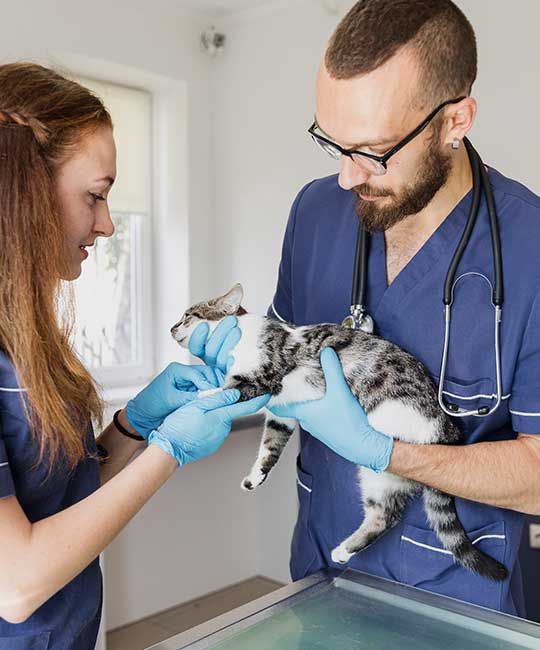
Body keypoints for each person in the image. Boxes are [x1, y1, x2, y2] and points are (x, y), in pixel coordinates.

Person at [191, 0, 540, 617]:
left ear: (455, 120)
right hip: (321, 571)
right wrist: (226, 372)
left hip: (458, 602)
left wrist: (387, 454)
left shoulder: (530, 245)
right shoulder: (315, 212)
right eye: (333, 144)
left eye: (373, 151)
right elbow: (283, 355)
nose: (348, 178)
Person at [0, 62, 268, 649]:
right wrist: (167, 452)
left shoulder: (27, 340)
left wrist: (133, 427)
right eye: (94, 195)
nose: (107, 224)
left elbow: (64, 494)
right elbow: (15, 584)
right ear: (21, 193)